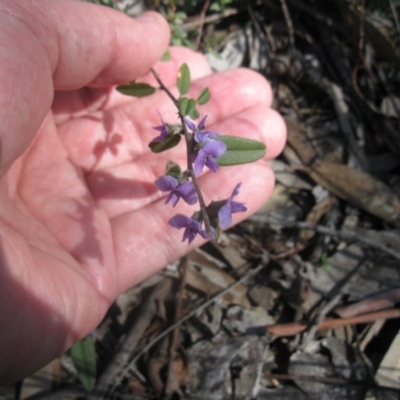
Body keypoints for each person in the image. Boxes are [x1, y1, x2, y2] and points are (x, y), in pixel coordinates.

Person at [0, 0, 286, 384]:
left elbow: (198, 166)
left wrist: (193, 166)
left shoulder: (195, 174)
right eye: (201, 223)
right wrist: (191, 156)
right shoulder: (192, 168)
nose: (197, 226)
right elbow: (194, 161)